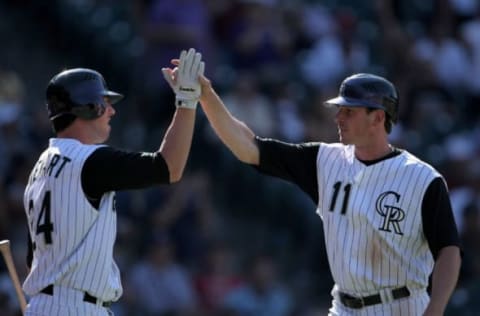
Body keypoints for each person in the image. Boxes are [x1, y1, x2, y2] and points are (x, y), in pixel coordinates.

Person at [178, 67, 462, 315]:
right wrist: (207, 96)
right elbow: (250, 148)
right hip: (343, 307)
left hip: (402, 307)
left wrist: (434, 309)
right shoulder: (325, 161)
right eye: (340, 109)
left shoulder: (422, 178)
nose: (339, 117)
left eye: (349, 111)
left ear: (377, 118)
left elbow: (448, 250)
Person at [22, 48, 204, 316]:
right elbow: (169, 167)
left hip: (46, 305)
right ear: (87, 108)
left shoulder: (40, 167)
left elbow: (32, 260)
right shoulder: (91, 160)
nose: (111, 111)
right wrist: (187, 102)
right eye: (104, 103)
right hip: (76, 307)